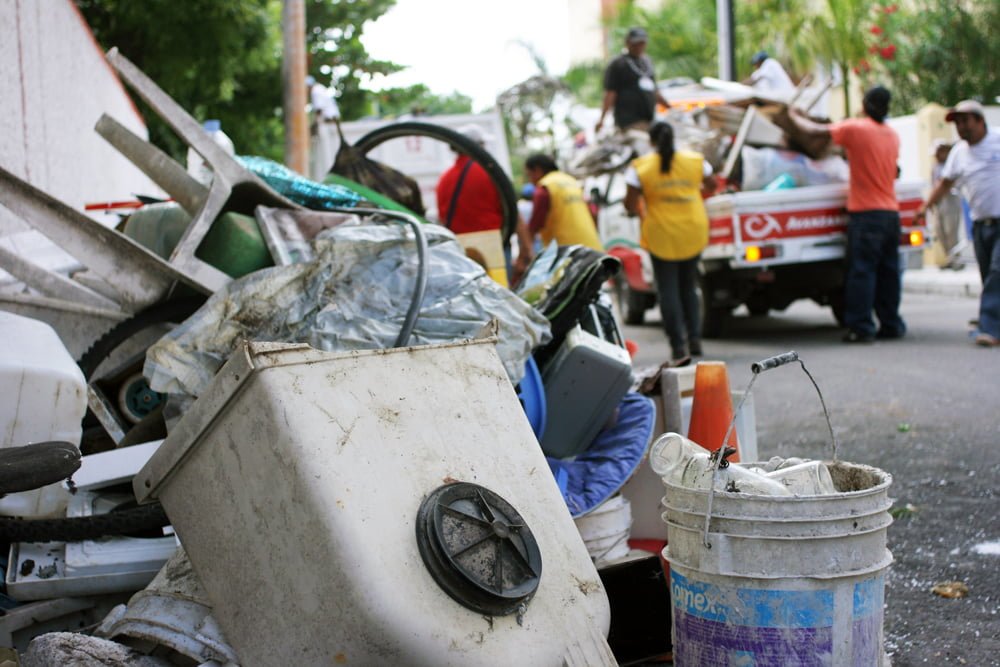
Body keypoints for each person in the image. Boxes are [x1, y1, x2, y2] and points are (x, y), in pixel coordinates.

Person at [789, 85, 906, 343]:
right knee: (889, 272)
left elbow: (815, 131)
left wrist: (792, 115)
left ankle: (862, 327)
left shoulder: (856, 128)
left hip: (866, 214)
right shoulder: (892, 135)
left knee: (862, 271)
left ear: (864, 104)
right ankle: (891, 324)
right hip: (890, 213)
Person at [623, 121, 713, 361]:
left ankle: (678, 346)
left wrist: (636, 209)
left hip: (661, 233)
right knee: (688, 287)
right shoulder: (695, 160)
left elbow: (630, 204)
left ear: (650, 141)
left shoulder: (640, 168)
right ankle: (695, 339)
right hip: (693, 228)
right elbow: (712, 183)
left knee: (668, 290)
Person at [916, 100, 1000, 347]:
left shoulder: (997, 139)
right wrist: (924, 207)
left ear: (980, 120)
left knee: (997, 272)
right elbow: (944, 184)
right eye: (957, 123)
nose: (961, 127)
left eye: (965, 121)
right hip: (980, 225)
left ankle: (990, 328)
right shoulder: (959, 153)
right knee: (989, 277)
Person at [435, 125, 533, 280]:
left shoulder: (444, 179)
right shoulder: (492, 173)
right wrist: (526, 250)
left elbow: (443, 219)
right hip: (494, 252)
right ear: (479, 146)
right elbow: (514, 214)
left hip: (461, 254)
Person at [595, 27, 670, 133]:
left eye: (642, 43)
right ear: (627, 43)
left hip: (649, 120)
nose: (639, 46)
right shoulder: (617, 64)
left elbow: (654, 90)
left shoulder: (647, 62)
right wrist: (602, 119)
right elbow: (610, 94)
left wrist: (669, 107)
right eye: (635, 43)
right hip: (629, 123)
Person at [523, 154, 604, 251]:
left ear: (537, 170)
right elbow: (593, 213)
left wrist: (524, 252)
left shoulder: (545, 187)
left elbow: (534, 226)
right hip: (594, 248)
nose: (530, 180)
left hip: (568, 254)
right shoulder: (571, 181)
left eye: (529, 175)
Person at [928, 139, 963, 269]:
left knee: (951, 230)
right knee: (940, 231)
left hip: (950, 199)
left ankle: (956, 261)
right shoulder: (935, 167)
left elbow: (950, 184)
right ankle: (949, 258)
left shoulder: (952, 164)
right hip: (939, 202)